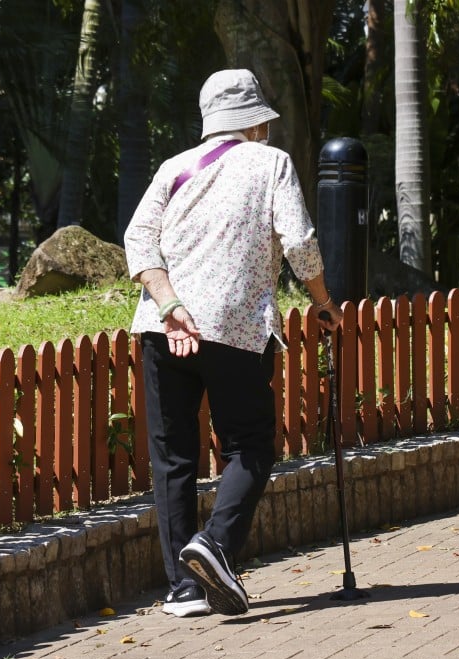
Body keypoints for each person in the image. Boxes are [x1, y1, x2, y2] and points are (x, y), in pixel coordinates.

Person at [123, 68, 342, 618]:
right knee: (250, 446)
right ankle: (216, 545)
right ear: (256, 121)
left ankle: (184, 590)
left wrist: (170, 305)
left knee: (173, 457)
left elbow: (137, 239)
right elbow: (299, 241)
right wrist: (322, 300)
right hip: (235, 328)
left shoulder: (173, 167)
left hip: (163, 328)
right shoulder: (272, 163)